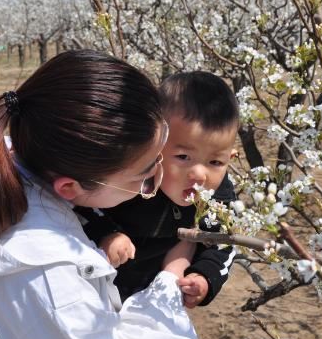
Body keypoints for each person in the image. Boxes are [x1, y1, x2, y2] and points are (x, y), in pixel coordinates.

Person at [0, 50, 198, 339]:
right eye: (144, 176)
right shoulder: (54, 282)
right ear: (69, 186)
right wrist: (166, 291)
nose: (154, 181)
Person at [74, 71, 239, 308]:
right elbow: (83, 203)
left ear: (230, 158)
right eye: (183, 157)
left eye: (216, 162)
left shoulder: (218, 194)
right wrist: (106, 233)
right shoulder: (131, 176)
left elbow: (224, 242)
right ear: (154, 144)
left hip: (152, 286)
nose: (200, 175)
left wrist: (204, 276)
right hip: (97, 277)